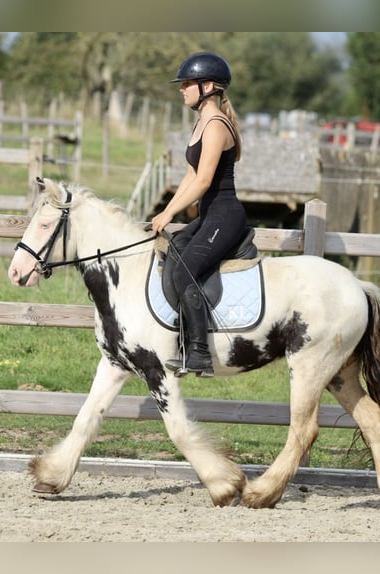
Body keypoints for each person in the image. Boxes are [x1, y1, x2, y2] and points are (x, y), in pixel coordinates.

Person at [150, 51, 247, 378]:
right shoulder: (202, 122)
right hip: (210, 216)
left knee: (184, 273)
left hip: (225, 216)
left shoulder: (217, 126)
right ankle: (179, 337)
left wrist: (169, 212)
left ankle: (200, 354)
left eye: (187, 83)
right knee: (174, 250)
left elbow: (205, 181)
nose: (182, 89)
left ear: (208, 87)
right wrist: (166, 211)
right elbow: (190, 176)